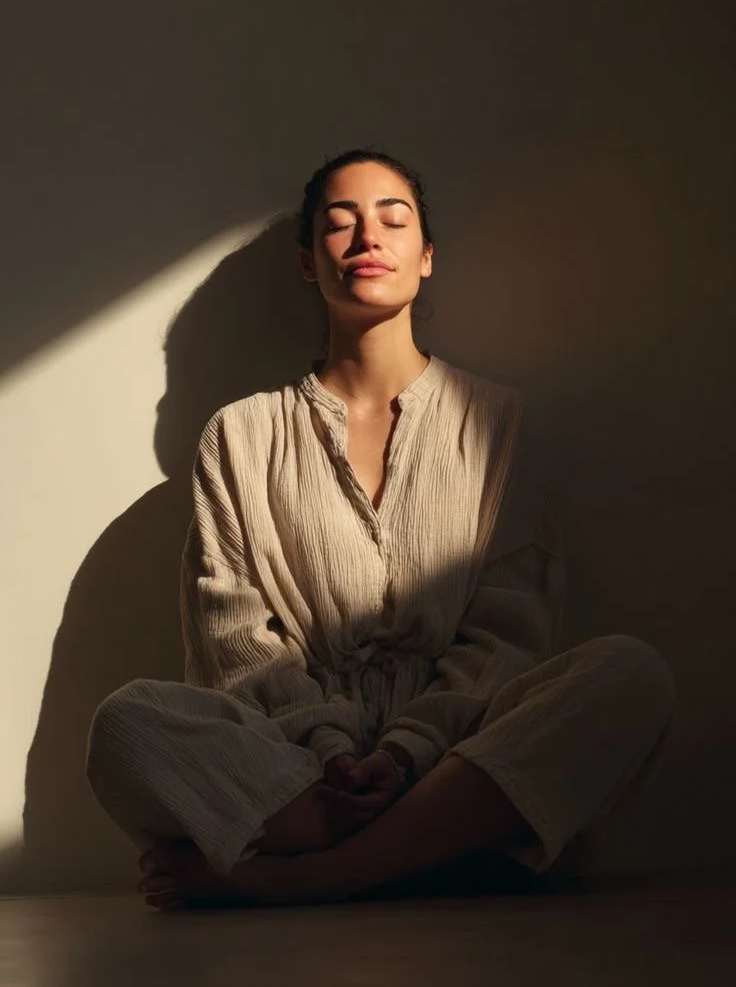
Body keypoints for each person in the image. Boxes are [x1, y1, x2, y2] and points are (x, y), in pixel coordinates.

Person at [86, 148, 676, 910]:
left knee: (631, 674)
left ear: (425, 256)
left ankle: (309, 876)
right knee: (126, 724)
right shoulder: (239, 435)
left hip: (460, 750)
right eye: (341, 223)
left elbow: (509, 635)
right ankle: (439, 853)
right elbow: (236, 646)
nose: (368, 236)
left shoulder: (502, 424)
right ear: (309, 262)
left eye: (393, 219)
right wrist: (334, 753)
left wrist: (407, 753)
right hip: (302, 771)